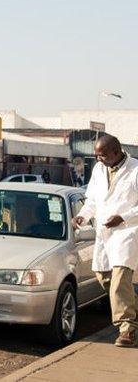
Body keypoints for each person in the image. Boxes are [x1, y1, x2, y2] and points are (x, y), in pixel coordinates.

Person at [73, 134, 138, 348]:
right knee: (104, 277)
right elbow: (92, 200)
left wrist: (124, 217)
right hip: (103, 232)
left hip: (127, 232)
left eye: (101, 155)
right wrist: (83, 216)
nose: (98, 159)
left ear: (116, 152)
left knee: (119, 280)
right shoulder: (99, 170)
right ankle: (132, 308)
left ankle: (126, 329)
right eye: (96, 155)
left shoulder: (135, 169)